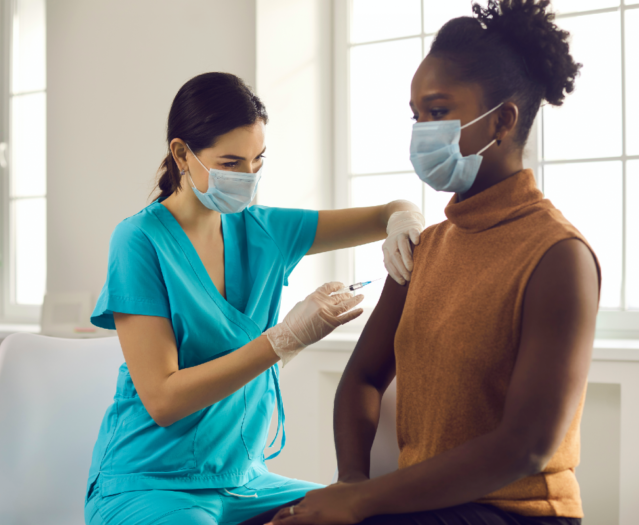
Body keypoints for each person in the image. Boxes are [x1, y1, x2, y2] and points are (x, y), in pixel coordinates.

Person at [246, 0, 600, 524]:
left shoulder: (557, 258)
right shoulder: (427, 246)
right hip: (421, 505)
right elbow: (363, 378)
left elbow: (526, 446)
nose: (421, 131)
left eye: (437, 112)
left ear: (502, 119)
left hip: (518, 511)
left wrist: (362, 503)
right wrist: (351, 482)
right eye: (416, 116)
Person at [84, 72, 426, 525]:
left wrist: (405, 220)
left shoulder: (265, 229)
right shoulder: (139, 240)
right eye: (230, 163)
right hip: (151, 481)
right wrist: (285, 338)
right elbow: (164, 400)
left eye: (257, 161)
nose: (248, 178)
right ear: (181, 154)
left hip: (246, 481)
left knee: (364, 515)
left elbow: (388, 212)